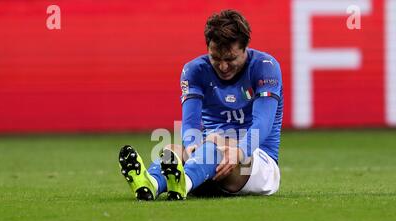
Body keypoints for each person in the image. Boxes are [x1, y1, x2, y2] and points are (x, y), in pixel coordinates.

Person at [119, 9, 283, 201]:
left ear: (245, 47)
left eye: (230, 59)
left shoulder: (265, 66)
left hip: (257, 163)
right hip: (207, 161)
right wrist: (191, 146)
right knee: (174, 149)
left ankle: (184, 182)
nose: (223, 67)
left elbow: (263, 122)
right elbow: (190, 123)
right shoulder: (194, 70)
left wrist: (239, 151)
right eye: (216, 58)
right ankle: (151, 185)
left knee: (214, 143)